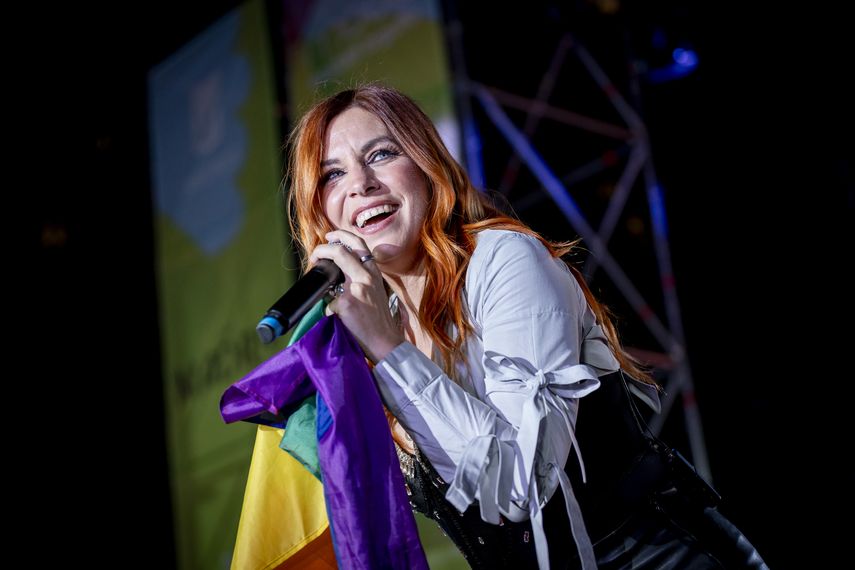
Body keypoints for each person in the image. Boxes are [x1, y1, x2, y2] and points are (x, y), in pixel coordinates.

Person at [284, 83, 767, 569]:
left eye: (382, 154)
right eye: (332, 175)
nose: (360, 184)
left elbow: (525, 487)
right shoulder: (365, 327)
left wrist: (391, 352)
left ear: (427, 164)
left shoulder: (503, 261)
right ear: (319, 213)